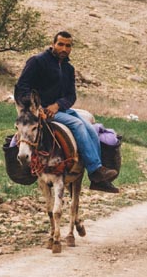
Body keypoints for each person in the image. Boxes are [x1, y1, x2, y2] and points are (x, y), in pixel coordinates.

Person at [15, 31, 120, 193]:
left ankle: (98, 176)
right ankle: (95, 170)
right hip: (39, 112)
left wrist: (57, 105)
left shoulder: (68, 68)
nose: (64, 48)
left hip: (59, 110)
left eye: (68, 45)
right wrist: (36, 108)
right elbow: (21, 87)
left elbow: (71, 96)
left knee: (91, 129)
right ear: (53, 44)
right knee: (78, 125)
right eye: (61, 44)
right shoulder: (37, 61)